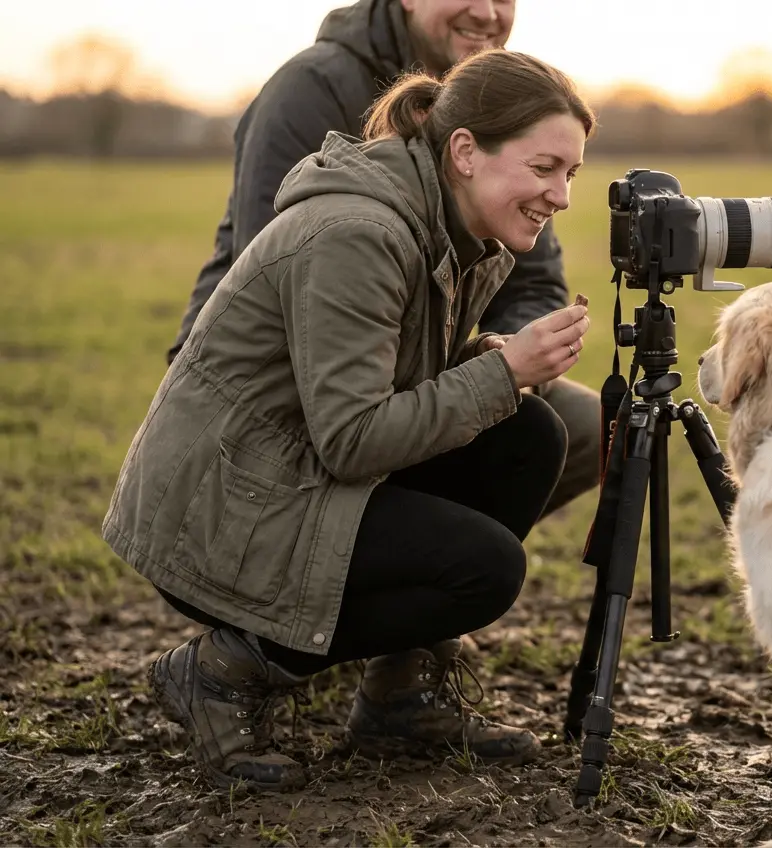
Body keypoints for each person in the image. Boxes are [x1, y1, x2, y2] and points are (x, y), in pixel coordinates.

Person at [102, 48, 596, 792]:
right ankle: (220, 672)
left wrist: (485, 361)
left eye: (571, 175)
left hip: (287, 476)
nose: (560, 196)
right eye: (544, 168)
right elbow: (354, 438)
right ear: (464, 151)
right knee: (485, 570)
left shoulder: (461, 235)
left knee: (527, 437)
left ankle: (401, 695)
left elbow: (382, 387)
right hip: (216, 516)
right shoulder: (358, 232)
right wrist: (501, 371)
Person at [169, 0, 600, 518]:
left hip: (418, 368)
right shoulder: (311, 87)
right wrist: (467, 383)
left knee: (579, 429)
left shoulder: (516, 111)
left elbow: (532, 283)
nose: (487, 12)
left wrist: (507, 357)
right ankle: (318, 558)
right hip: (284, 387)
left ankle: (422, 561)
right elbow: (283, 269)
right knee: (436, 487)